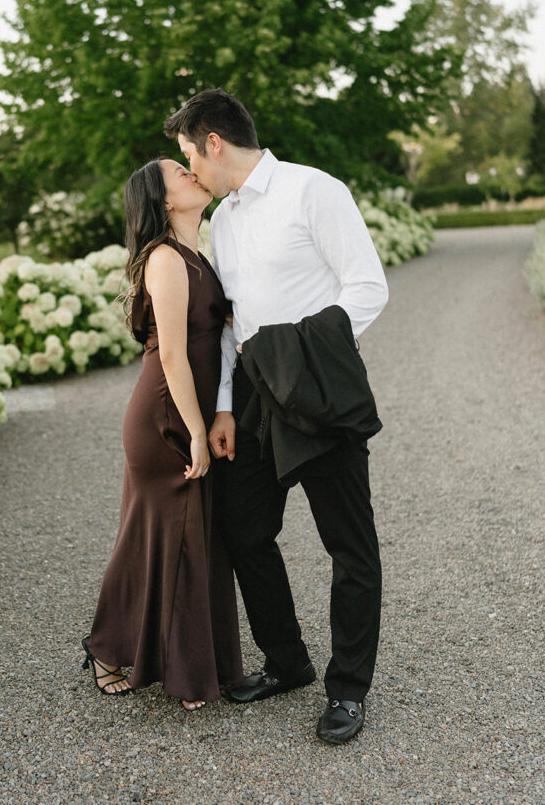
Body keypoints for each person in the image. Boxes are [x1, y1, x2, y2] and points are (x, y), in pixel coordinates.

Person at [164, 89, 388, 743]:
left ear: (213, 143)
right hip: (257, 399)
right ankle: (287, 662)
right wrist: (229, 405)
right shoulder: (225, 219)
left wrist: (307, 361)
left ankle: (347, 689)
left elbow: (366, 287)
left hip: (316, 392)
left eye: (187, 155)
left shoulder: (313, 190)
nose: (189, 170)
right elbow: (235, 324)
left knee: (349, 547)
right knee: (243, 530)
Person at [81, 157, 243, 711]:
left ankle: (191, 665)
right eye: (180, 172)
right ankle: (107, 647)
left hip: (191, 412)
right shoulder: (166, 259)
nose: (195, 172)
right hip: (163, 418)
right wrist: (198, 431)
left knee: (190, 538)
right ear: (165, 200)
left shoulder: (201, 255)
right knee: (155, 536)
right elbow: (172, 355)